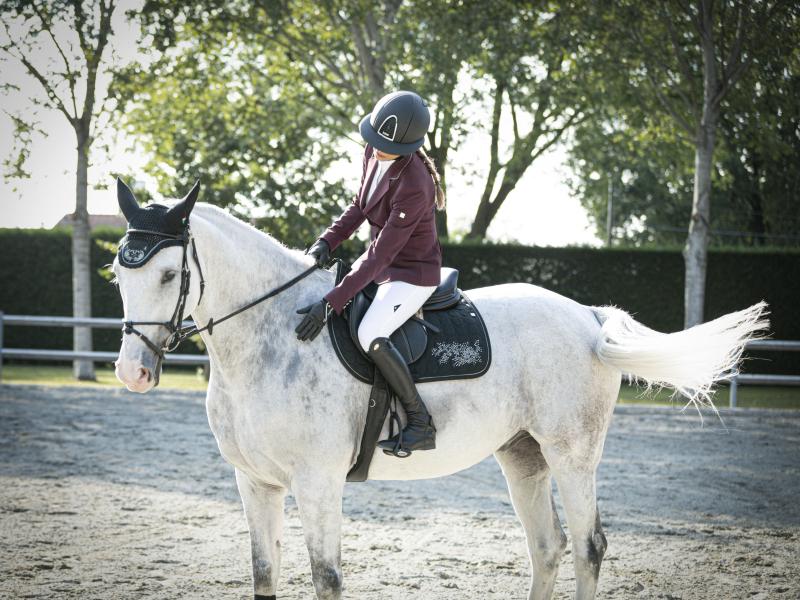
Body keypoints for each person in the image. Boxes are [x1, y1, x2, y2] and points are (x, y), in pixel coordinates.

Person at [295, 90, 445, 457]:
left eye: (384, 146)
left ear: (409, 146)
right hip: (384, 267)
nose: (375, 148)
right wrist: (327, 241)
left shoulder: (415, 184)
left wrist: (331, 302)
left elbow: (380, 254)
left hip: (412, 274)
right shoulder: (371, 151)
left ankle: (420, 421)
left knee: (369, 332)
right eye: (374, 140)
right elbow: (360, 205)